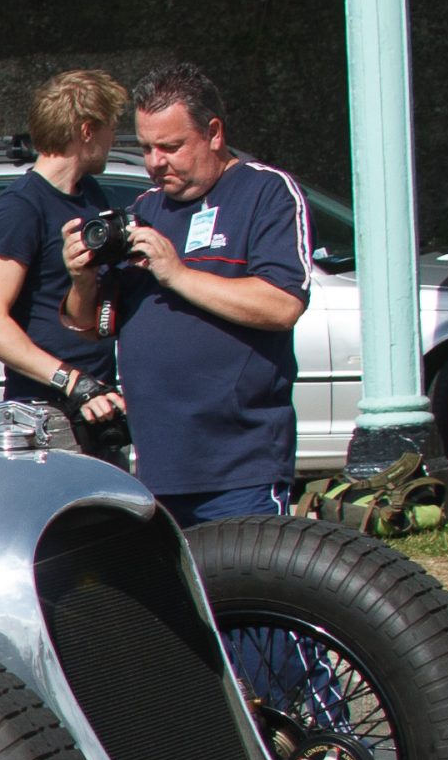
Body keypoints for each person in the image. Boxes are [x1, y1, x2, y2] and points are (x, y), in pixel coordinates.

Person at [58, 64, 312, 525]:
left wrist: (177, 274)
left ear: (213, 133)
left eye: (171, 147)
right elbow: (87, 326)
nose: (156, 162)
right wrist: (81, 276)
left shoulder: (265, 192)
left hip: (239, 468)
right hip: (156, 470)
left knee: (240, 596)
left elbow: (282, 305)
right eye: (146, 148)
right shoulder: (144, 211)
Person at [0, 71, 129, 443]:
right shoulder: (20, 207)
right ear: (87, 130)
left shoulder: (89, 193)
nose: (114, 139)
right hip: (44, 416)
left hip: (98, 407)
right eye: (111, 128)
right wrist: (73, 382)